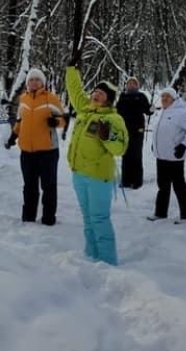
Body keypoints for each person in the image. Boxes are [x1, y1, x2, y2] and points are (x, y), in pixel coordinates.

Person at [65, 64, 127, 264]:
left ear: (108, 99)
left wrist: (107, 135)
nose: (96, 95)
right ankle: (91, 256)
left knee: (99, 219)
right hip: (79, 174)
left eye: (101, 93)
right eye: (95, 92)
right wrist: (72, 69)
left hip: (98, 177)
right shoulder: (85, 109)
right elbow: (75, 90)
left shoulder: (113, 118)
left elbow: (120, 148)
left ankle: (108, 262)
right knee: (87, 220)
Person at [5, 68, 65, 225]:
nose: (34, 82)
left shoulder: (51, 98)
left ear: (42, 83)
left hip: (48, 151)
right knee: (29, 186)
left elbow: (63, 119)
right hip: (27, 152)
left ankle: (48, 218)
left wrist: (56, 122)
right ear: (27, 83)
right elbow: (19, 120)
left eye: (37, 79)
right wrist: (13, 136)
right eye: (31, 80)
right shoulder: (23, 99)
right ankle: (28, 217)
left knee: (48, 186)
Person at [150, 87, 186, 222]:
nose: (164, 99)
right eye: (163, 96)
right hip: (161, 156)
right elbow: (160, 131)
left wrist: (183, 146)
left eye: (167, 96)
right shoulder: (162, 112)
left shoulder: (181, 113)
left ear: (174, 98)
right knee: (162, 186)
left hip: (175, 157)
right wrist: (155, 144)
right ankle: (160, 213)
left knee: (179, 186)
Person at [116, 76, 152, 189]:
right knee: (125, 154)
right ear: (126, 85)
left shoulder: (141, 96)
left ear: (137, 85)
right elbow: (117, 111)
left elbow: (147, 110)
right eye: (129, 83)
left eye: (134, 83)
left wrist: (151, 109)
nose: (131, 85)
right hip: (124, 129)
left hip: (138, 130)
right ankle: (126, 180)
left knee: (136, 155)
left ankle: (137, 181)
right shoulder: (123, 97)